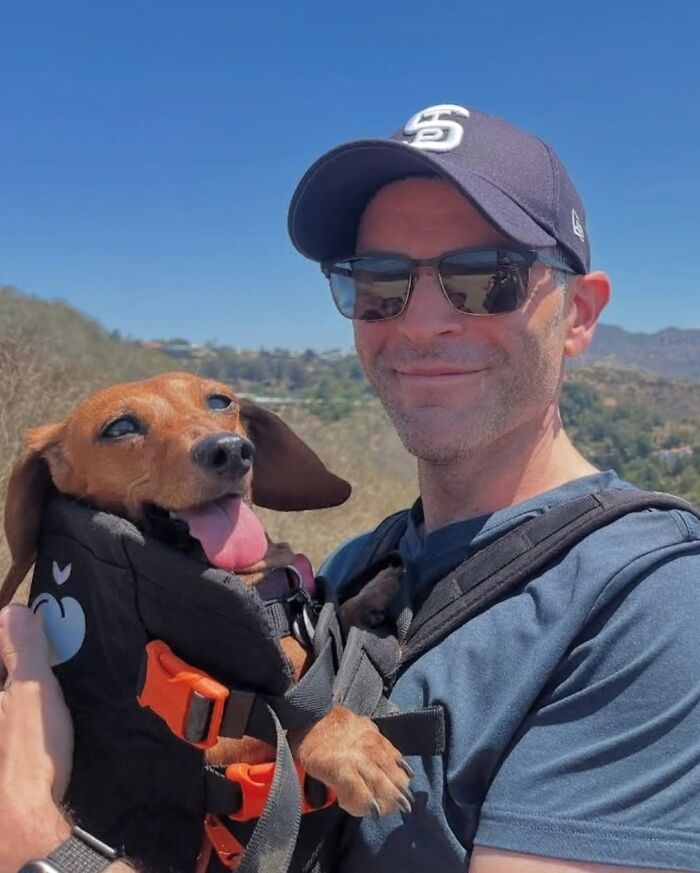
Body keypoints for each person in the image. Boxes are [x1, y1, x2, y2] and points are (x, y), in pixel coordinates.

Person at [1, 103, 699, 873]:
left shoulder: (653, 606)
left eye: (486, 277)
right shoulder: (354, 566)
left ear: (580, 316)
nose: (422, 320)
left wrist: (38, 846)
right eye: (380, 282)